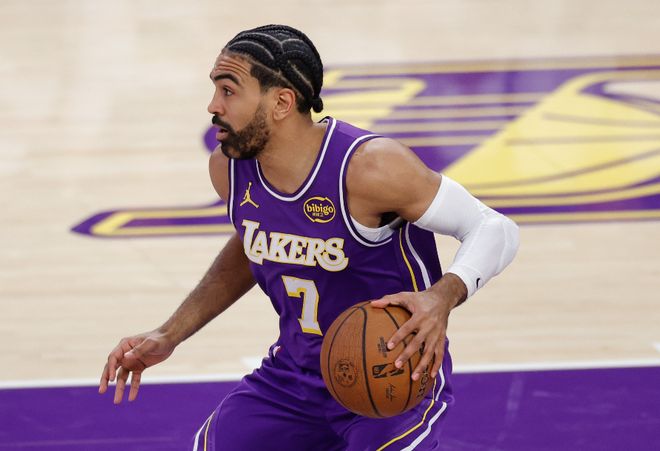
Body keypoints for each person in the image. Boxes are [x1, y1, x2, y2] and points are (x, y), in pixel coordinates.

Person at [99, 25, 519, 450]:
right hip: (295, 378)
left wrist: (441, 297)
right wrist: (170, 333)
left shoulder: (370, 166)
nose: (213, 106)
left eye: (228, 91)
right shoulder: (228, 169)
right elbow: (254, 244)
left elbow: (494, 228)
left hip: (391, 374)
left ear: (282, 102)